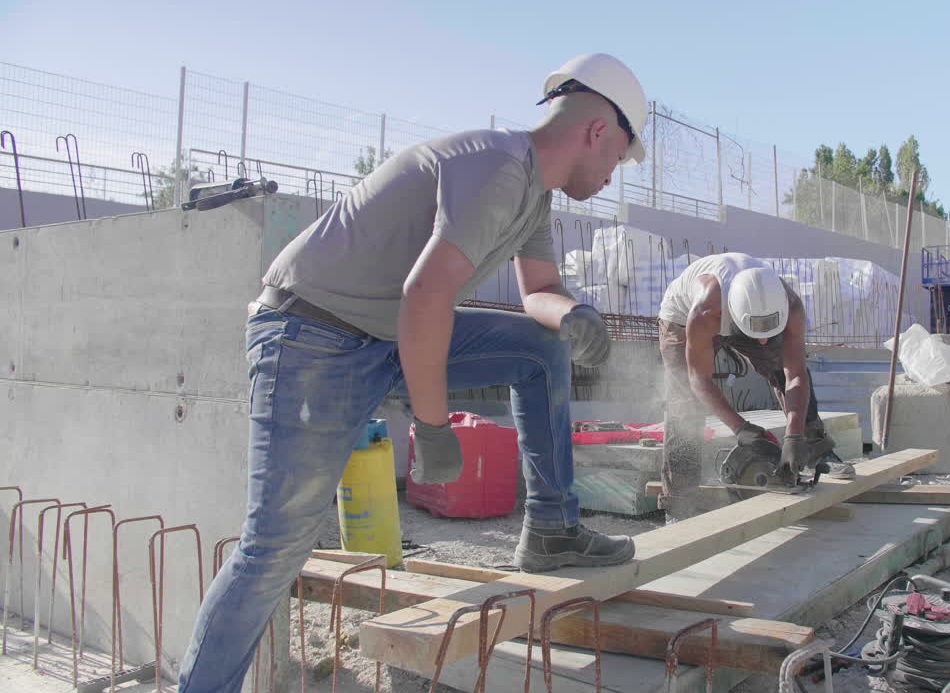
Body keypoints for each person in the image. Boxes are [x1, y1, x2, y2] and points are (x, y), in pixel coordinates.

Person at [178, 53, 647, 692]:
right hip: (310, 337)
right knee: (273, 551)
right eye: (620, 156)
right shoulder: (498, 167)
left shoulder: (533, 197)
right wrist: (433, 428)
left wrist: (573, 314)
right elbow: (425, 295)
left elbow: (538, 289)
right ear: (597, 131)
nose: (615, 172)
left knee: (542, 350)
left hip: (384, 334)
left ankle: (551, 529)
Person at [655, 252, 836, 522]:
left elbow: (795, 374)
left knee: (779, 362)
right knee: (684, 406)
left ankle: (814, 449)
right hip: (682, 319)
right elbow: (699, 379)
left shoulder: (791, 306)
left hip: (743, 313)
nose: (762, 342)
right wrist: (741, 428)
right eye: (757, 333)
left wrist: (794, 434)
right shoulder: (706, 311)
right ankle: (679, 504)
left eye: (769, 331)